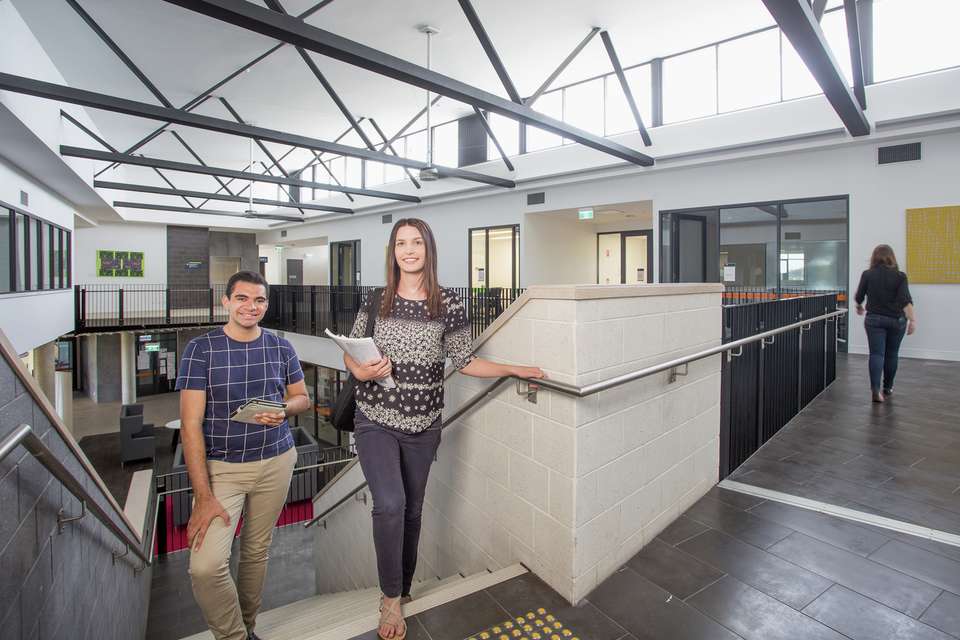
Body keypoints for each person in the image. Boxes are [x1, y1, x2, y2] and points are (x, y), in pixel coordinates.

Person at [344, 218, 544, 640]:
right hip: (375, 418)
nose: (409, 250)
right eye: (401, 243)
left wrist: (513, 368)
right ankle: (390, 599)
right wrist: (361, 369)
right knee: (391, 505)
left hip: (423, 424)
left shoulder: (449, 303)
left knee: (413, 511)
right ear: (393, 250)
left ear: (428, 249)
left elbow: (465, 360)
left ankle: (405, 583)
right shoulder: (375, 299)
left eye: (416, 242)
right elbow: (350, 352)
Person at [176, 270, 311, 640]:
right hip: (223, 470)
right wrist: (203, 497)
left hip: (277, 461)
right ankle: (232, 635)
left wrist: (285, 410)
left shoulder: (281, 347)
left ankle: (248, 629)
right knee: (206, 567)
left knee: (256, 552)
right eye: (242, 298)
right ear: (226, 302)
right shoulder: (200, 350)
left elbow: (302, 397)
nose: (252, 307)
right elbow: (190, 425)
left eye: (260, 300)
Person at [854, 244, 916, 403]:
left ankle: (875, 389)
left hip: (874, 319)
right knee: (892, 354)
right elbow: (905, 300)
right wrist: (913, 320)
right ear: (892, 257)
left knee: (876, 354)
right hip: (896, 320)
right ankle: (887, 387)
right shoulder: (900, 276)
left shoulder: (868, 274)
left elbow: (859, 295)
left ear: (874, 257)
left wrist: (859, 306)